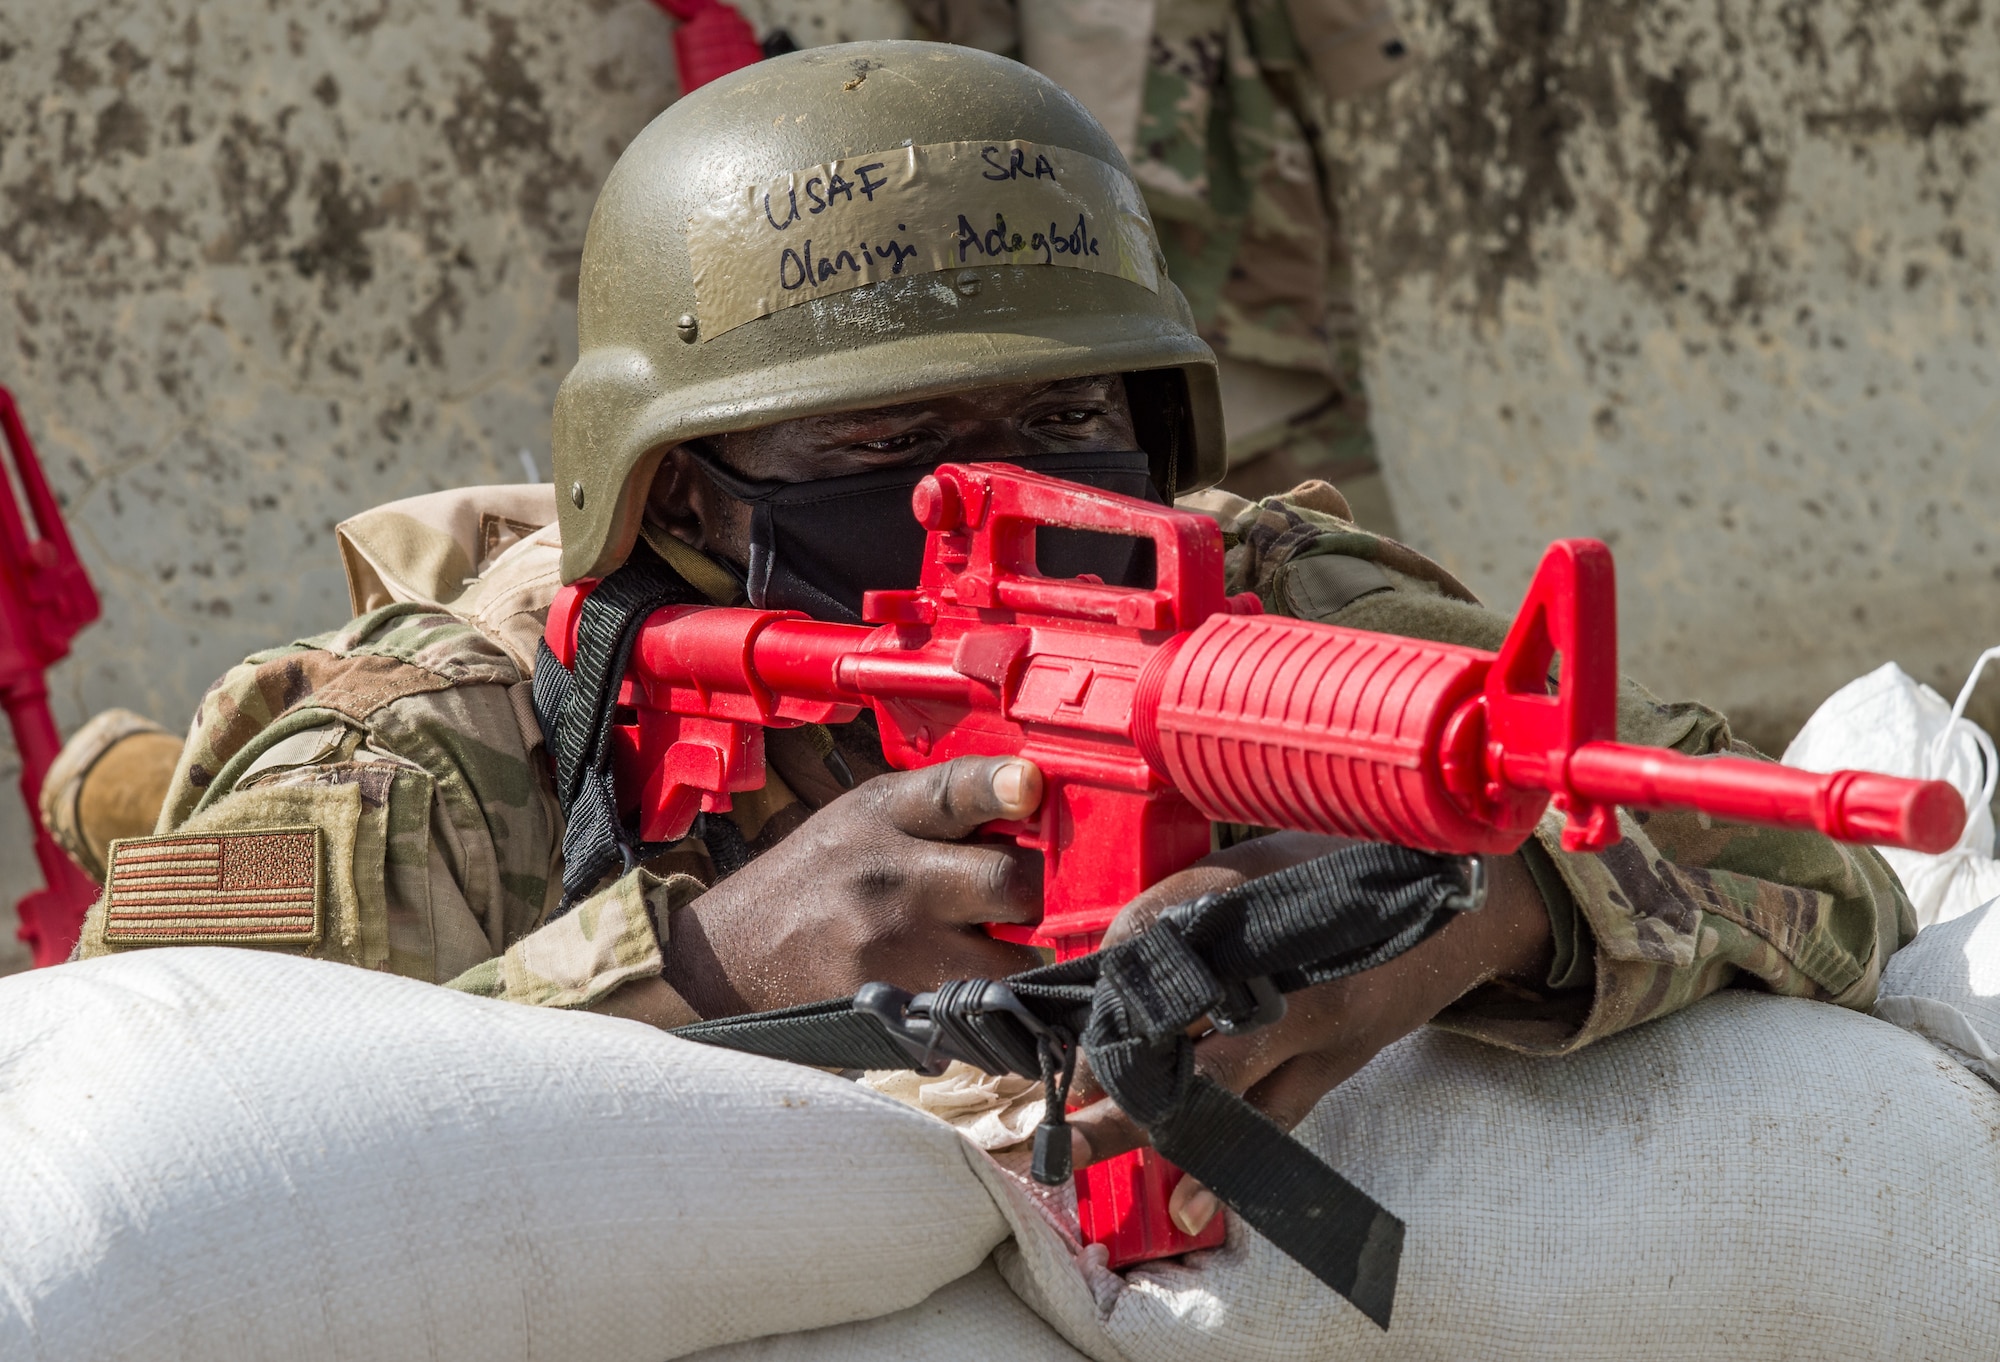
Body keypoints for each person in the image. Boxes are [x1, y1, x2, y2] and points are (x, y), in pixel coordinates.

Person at [71, 41, 1909, 1240]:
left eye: (1064, 422)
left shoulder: (1244, 607)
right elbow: (138, 1152)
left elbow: (1784, 833)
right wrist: (696, 963)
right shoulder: (439, 749)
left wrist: (1477, 916)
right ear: (678, 491)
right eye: (878, 447)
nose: (996, 492)